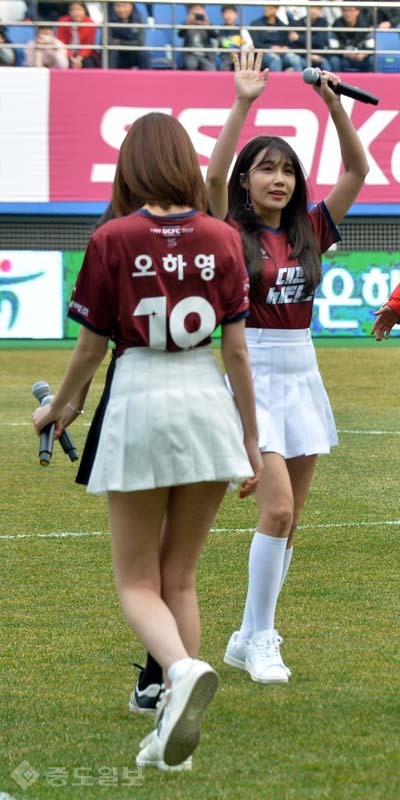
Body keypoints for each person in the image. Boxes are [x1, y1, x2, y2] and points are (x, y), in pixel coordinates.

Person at [32, 111, 262, 770]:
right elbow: (236, 352)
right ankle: (173, 737)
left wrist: (61, 407)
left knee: (137, 581)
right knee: (179, 578)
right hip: (205, 395)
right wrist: (250, 441)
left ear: (129, 164)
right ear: (185, 163)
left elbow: (90, 348)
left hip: (140, 393)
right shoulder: (222, 235)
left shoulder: (112, 237)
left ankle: (180, 672)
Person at [205, 51, 369, 684]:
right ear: (246, 181)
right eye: (266, 169)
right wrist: (243, 102)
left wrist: (334, 105)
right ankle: (264, 638)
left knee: (290, 520)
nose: (278, 179)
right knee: (275, 511)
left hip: (303, 370)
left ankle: (247, 636)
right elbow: (212, 175)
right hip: (249, 372)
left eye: (287, 170)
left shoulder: (311, 228)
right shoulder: (227, 230)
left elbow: (356, 169)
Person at [248, 4, 303, 72]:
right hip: (264, 54)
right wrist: (270, 48)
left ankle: (299, 79)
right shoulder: (255, 24)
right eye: (265, 6)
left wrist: (285, 48)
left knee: (295, 59)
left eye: (269, 7)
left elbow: (288, 43)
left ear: (277, 9)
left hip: (281, 53)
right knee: (275, 60)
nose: (265, 8)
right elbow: (255, 44)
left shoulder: (282, 26)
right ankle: (277, 79)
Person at [329, 6, 375, 73]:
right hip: (344, 57)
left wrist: (363, 54)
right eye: (345, 10)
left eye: (351, 10)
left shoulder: (366, 25)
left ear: (357, 12)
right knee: (334, 60)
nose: (348, 14)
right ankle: (336, 79)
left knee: (373, 60)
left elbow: (371, 47)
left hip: (362, 58)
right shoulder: (336, 24)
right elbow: (334, 47)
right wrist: (349, 55)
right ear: (342, 12)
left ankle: (371, 79)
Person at [288, 5, 332, 71]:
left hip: (318, 56)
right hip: (302, 57)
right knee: (297, 62)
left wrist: (299, 38)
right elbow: (294, 46)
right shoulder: (296, 24)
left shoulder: (322, 22)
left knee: (326, 65)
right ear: (307, 8)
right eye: (312, 8)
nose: (314, 11)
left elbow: (320, 40)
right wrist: (308, 56)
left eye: (318, 9)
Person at [57, 1, 99, 68]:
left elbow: (88, 44)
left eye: (78, 9)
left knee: (89, 63)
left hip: (84, 54)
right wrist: (71, 58)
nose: (75, 13)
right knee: (62, 61)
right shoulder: (62, 22)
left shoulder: (90, 23)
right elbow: (61, 43)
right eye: (72, 10)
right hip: (66, 53)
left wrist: (79, 58)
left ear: (84, 11)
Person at [108, 1, 149, 69]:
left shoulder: (138, 17)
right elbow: (108, 42)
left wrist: (119, 41)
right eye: (117, 6)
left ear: (131, 6)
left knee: (144, 53)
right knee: (111, 52)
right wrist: (131, 43)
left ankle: (146, 75)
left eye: (124, 6)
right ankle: (109, 75)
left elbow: (141, 43)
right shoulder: (108, 18)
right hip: (117, 54)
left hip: (132, 53)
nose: (121, 10)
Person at [178, 4, 218, 71]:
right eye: (195, 11)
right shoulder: (187, 24)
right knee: (190, 65)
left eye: (199, 11)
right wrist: (188, 22)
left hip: (206, 56)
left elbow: (215, 35)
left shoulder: (207, 24)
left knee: (211, 68)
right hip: (191, 55)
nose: (198, 15)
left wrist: (208, 24)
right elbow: (180, 34)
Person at [217, 4, 253, 71]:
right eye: (226, 13)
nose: (228, 16)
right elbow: (216, 46)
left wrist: (238, 50)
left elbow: (250, 44)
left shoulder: (242, 29)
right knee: (224, 65)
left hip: (240, 55)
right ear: (222, 15)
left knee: (244, 61)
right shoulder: (219, 30)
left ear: (236, 15)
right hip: (225, 57)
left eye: (231, 13)